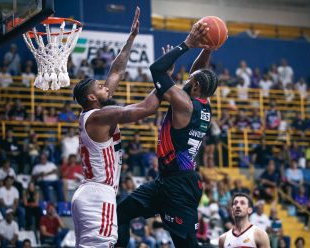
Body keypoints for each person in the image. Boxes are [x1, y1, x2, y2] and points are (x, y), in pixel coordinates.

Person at [117, 21, 220, 247]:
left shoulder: (185, 104)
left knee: (187, 244)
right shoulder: (203, 101)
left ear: (194, 88)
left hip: (180, 188)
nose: (185, 80)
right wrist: (207, 49)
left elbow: (156, 69)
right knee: (119, 215)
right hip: (165, 181)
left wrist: (187, 44)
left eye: (188, 81)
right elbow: (197, 74)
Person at [71, 7, 160, 247]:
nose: (106, 87)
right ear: (92, 98)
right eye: (100, 87)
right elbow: (145, 109)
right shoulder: (100, 116)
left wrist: (131, 38)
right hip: (98, 195)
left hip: (91, 193)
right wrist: (166, 79)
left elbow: (117, 71)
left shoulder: (96, 114)